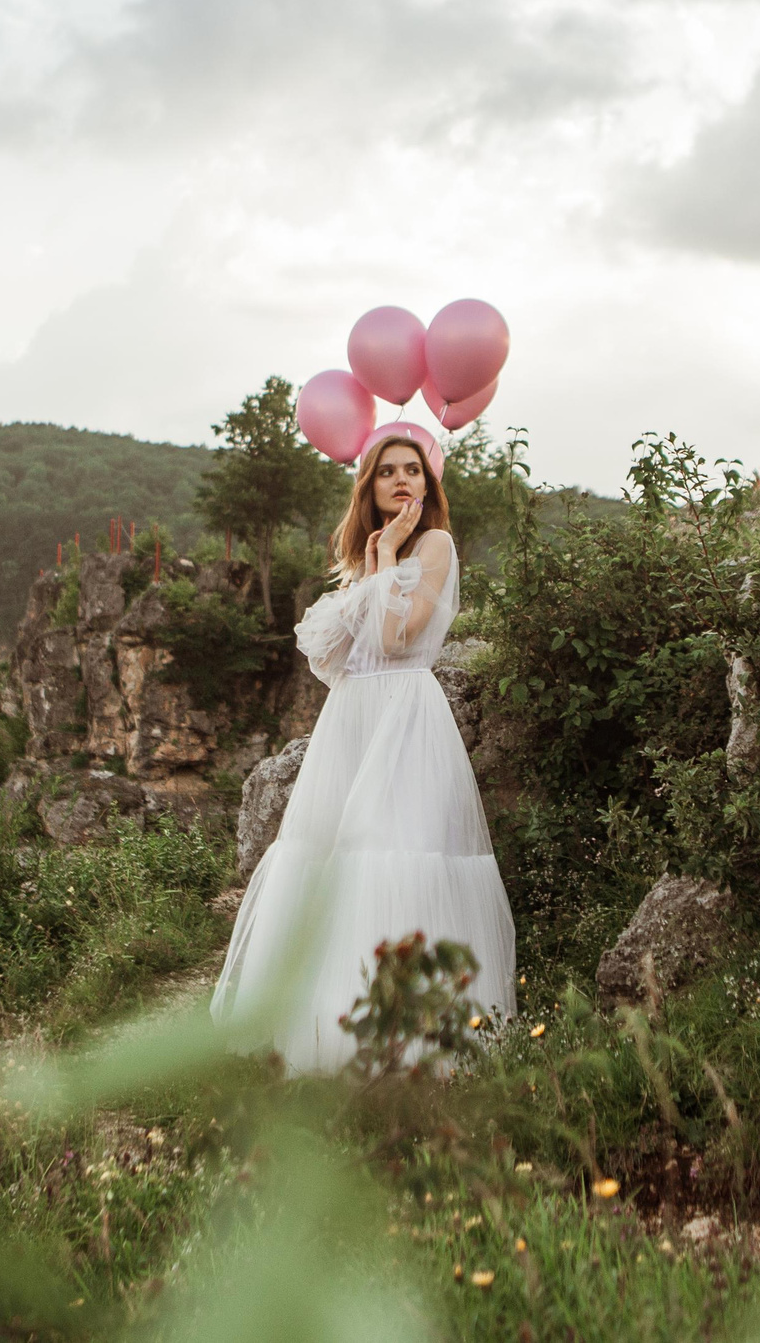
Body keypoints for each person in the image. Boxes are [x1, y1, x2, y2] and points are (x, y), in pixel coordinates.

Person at [209, 433, 516, 1071]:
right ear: (369, 486)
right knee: (333, 864)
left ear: (428, 486)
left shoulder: (434, 545)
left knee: (396, 857)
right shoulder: (366, 555)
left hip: (406, 716)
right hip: (352, 718)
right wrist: (373, 559)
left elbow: (396, 637)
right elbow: (328, 657)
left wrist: (385, 560)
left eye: (414, 471)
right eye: (387, 472)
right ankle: (327, 1027)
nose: (402, 481)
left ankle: (413, 1039)